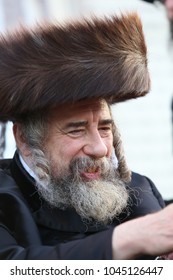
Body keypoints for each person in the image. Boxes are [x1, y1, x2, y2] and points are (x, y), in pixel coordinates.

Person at [0, 12, 173, 260]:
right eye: (77, 130)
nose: (100, 148)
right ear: (25, 140)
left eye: (104, 128)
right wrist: (129, 238)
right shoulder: (5, 199)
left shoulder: (139, 189)